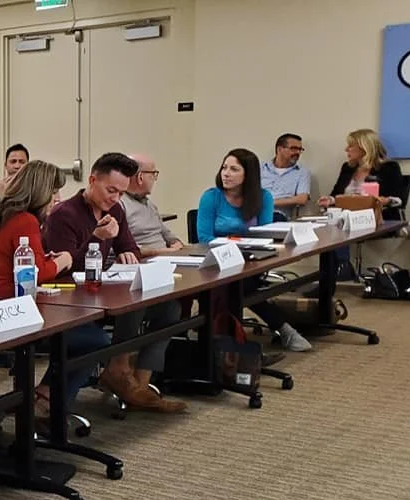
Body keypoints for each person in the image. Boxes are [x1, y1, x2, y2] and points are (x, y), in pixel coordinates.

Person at [45, 152, 187, 412]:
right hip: (70, 299)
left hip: (103, 291)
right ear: (92, 180)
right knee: (132, 305)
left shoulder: (116, 210)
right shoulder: (64, 215)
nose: (115, 198)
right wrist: (97, 238)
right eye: (111, 190)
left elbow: (129, 247)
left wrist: (128, 253)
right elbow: (63, 267)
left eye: (121, 193)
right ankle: (119, 370)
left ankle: (139, 381)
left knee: (170, 309)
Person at [0, 161, 105, 416]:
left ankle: (44, 395)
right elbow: (37, 273)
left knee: (81, 333)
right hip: (16, 310)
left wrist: (46, 259)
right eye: (54, 191)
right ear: (40, 191)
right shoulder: (25, 220)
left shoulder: (1, 215)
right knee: (97, 340)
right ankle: (49, 404)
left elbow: (24, 264)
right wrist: (63, 260)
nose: (56, 198)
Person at [198, 148, 312, 352]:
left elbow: (264, 233)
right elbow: (204, 238)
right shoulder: (211, 197)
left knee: (242, 286)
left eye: (234, 169)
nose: (226, 173)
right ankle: (282, 329)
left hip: (250, 259)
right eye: (224, 168)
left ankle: (231, 341)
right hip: (218, 260)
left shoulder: (263, 197)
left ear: (248, 174)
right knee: (239, 288)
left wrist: (245, 248)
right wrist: (232, 246)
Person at [317, 129, 406, 280]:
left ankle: (341, 267)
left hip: (377, 217)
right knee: (328, 225)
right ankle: (339, 268)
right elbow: (336, 195)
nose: (346, 149)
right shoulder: (348, 168)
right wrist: (329, 200)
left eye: (350, 146)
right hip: (347, 216)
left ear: (364, 147)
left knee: (339, 225)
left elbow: (398, 199)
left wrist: (384, 200)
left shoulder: (389, 168)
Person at [121, 154, 184, 257]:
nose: (155, 179)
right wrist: (162, 251)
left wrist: (175, 242)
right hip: (144, 260)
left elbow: (165, 233)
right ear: (140, 177)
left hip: (166, 257)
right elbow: (124, 248)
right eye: (153, 174)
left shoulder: (149, 204)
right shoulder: (120, 205)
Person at [260, 134, 311, 220]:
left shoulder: (302, 172)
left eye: (300, 149)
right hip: (254, 212)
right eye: (293, 148)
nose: (297, 153)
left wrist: (269, 203)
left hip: (278, 215)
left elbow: (302, 199)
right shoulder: (260, 169)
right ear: (279, 149)